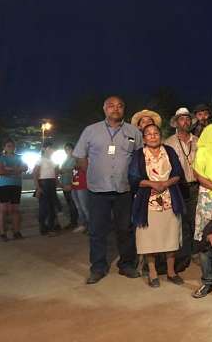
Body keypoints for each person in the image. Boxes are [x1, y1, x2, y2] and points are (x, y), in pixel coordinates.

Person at [73, 96, 143, 284]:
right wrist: (92, 173)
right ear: (104, 109)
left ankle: (126, 264)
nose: (115, 109)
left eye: (120, 106)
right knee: (97, 230)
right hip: (97, 190)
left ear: (124, 109)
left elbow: (139, 158)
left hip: (124, 189)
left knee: (125, 229)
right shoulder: (91, 130)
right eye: (111, 106)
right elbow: (80, 156)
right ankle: (98, 267)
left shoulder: (133, 132)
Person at [128, 124, 186, 288]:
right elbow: (133, 178)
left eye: (155, 133)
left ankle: (171, 271)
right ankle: (152, 272)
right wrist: (152, 184)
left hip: (169, 200)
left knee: (171, 236)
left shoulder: (169, 151)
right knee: (149, 238)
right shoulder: (139, 154)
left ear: (160, 136)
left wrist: (165, 183)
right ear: (144, 138)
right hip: (148, 203)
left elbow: (178, 173)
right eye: (148, 134)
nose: (153, 136)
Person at [165, 107, 199, 269]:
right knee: (182, 222)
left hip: (196, 185)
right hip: (178, 187)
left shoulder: (198, 141)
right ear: (176, 122)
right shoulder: (169, 143)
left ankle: (197, 252)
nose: (185, 122)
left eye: (187, 119)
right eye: (181, 119)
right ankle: (184, 255)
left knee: (196, 220)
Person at [0, 139, 27, 241]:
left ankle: (16, 232)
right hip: (4, 186)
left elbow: (25, 168)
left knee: (15, 210)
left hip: (16, 185)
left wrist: (8, 169)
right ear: (4, 147)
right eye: (8, 146)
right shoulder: (1, 157)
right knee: (3, 210)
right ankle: (2, 233)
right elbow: (0, 171)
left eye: (12, 146)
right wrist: (16, 170)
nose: (11, 148)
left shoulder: (19, 157)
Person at [33, 141, 60, 236]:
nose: (51, 150)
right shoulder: (40, 160)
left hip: (51, 184)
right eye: (49, 148)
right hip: (44, 184)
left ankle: (51, 227)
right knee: (44, 207)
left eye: (52, 148)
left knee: (52, 206)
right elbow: (35, 174)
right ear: (44, 149)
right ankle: (43, 227)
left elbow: (56, 174)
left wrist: (58, 183)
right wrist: (38, 188)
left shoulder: (53, 161)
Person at [60, 143, 79, 229]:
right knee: (69, 204)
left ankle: (75, 222)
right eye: (65, 149)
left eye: (68, 149)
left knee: (73, 204)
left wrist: (72, 185)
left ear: (72, 149)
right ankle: (73, 221)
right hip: (64, 184)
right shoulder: (65, 159)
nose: (67, 151)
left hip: (71, 185)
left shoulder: (75, 159)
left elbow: (76, 172)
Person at [71, 164, 89, 233]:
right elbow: (74, 174)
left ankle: (90, 226)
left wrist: (80, 165)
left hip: (82, 186)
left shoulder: (85, 161)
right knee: (78, 207)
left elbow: (86, 168)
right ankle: (83, 225)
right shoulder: (75, 162)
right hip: (75, 186)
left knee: (85, 207)